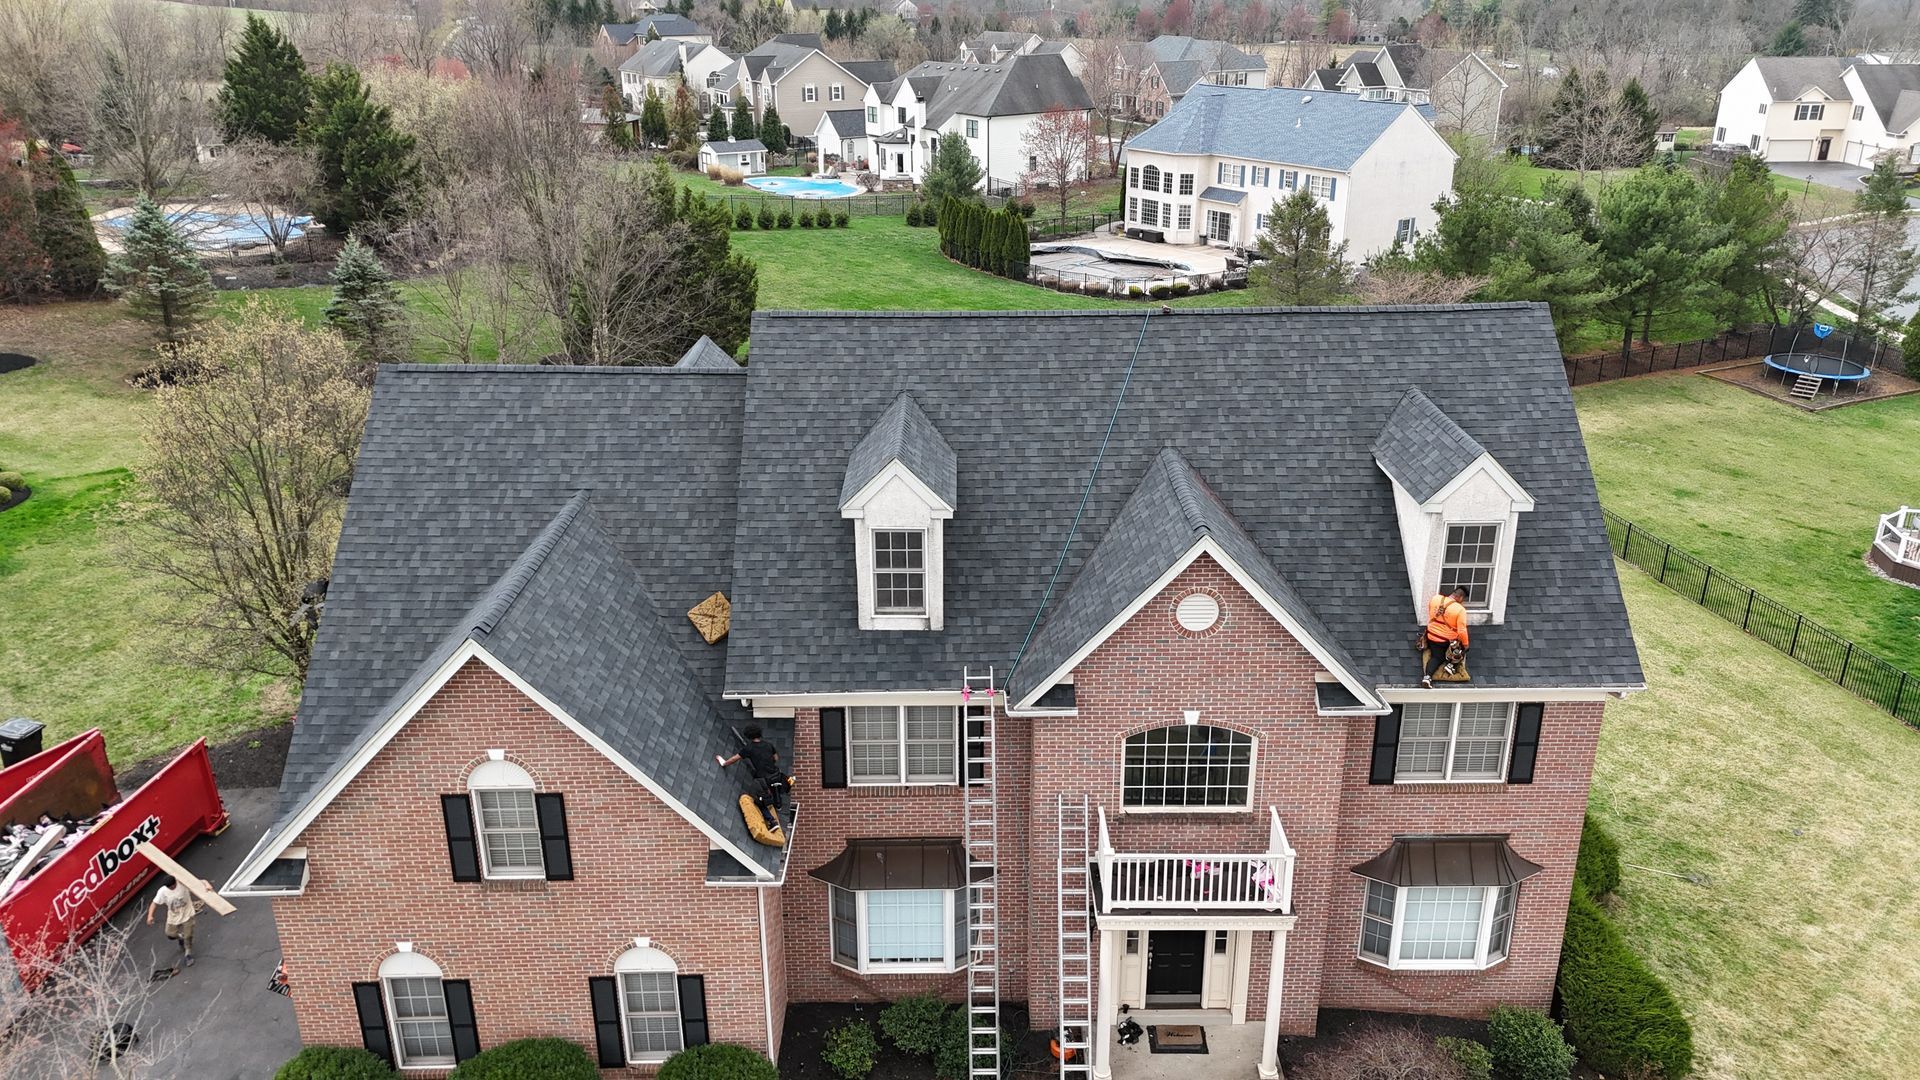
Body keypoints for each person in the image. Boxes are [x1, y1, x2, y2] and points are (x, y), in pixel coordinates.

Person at [717, 725, 790, 811]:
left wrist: (724, 763)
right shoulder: (768, 745)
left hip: (763, 777)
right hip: (775, 773)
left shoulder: (749, 748)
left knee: (764, 791)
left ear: (749, 736)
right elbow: (776, 758)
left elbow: (734, 759)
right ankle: (778, 805)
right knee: (775, 790)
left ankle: (769, 804)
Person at [147, 875, 208, 972]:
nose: (172, 888)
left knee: (188, 935)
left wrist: (207, 885)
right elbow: (154, 903)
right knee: (170, 934)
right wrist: (150, 916)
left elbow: (201, 881)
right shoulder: (163, 891)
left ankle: (188, 954)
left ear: (175, 882)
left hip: (187, 914)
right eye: (169, 887)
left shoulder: (183, 883)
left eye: (173, 886)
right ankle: (180, 937)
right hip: (173, 917)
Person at [1422, 587, 1471, 687]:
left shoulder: (1435, 598)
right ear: (1461, 598)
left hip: (1431, 635)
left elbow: (1431, 612)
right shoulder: (1460, 610)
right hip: (1445, 640)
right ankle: (1451, 665)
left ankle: (1427, 677)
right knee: (1462, 647)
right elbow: (1462, 631)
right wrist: (1465, 645)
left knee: (1436, 657)